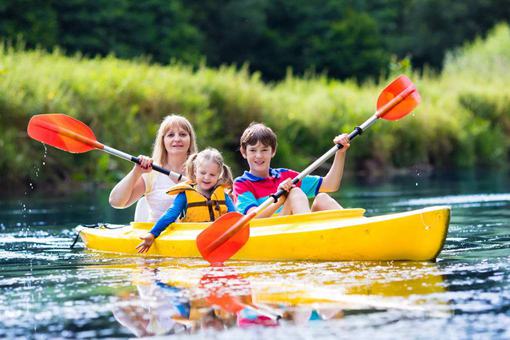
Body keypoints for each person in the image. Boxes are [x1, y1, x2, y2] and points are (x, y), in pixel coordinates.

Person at [233, 122, 350, 218]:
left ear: (272, 152)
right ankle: (309, 233)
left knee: (322, 198)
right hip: (273, 234)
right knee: (295, 192)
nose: (258, 156)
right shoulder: (241, 183)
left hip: (295, 228)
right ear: (244, 153)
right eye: (253, 150)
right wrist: (281, 198)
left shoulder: (285, 175)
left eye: (264, 150)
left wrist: (340, 152)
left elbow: (331, 185)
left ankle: (356, 228)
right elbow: (254, 217)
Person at [136, 148, 236, 253]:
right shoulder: (185, 194)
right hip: (191, 240)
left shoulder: (223, 196)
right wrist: (152, 234)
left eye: (212, 175)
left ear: (219, 175)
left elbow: (235, 217)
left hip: (217, 240)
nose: (207, 177)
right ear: (195, 171)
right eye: (202, 172)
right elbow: (171, 214)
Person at [109, 114, 198, 222]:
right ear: (163, 141)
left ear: (190, 139)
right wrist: (136, 172)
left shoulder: (203, 172)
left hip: (192, 234)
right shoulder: (151, 173)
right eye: (170, 135)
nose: (177, 139)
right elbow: (116, 202)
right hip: (156, 235)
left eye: (183, 134)